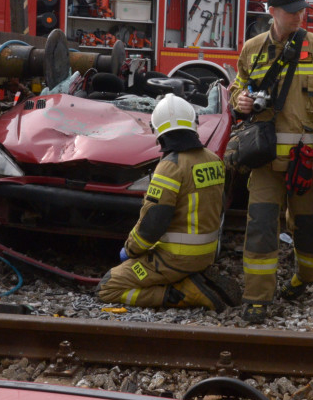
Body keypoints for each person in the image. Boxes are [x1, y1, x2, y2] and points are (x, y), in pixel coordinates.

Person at [230, 0, 313, 324]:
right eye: (292, 12)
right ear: (273, 12)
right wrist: (242, 99)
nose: (299, 17)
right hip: (264, 162)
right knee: (261, 228)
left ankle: (305, 278)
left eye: (302, 12)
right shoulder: (252, 49)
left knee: (311, 229)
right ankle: (257, 298)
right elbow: (239, 87)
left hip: (305, 162)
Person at [97, 94, 240, 309]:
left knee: (107, 287)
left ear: (158, 131)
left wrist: (131, 250)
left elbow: (154, 221)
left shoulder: (170, 166)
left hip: (175, 258)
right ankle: (190, 280)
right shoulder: (213, 160)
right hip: (207, 253)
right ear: (194, 124)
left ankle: (183, 293)